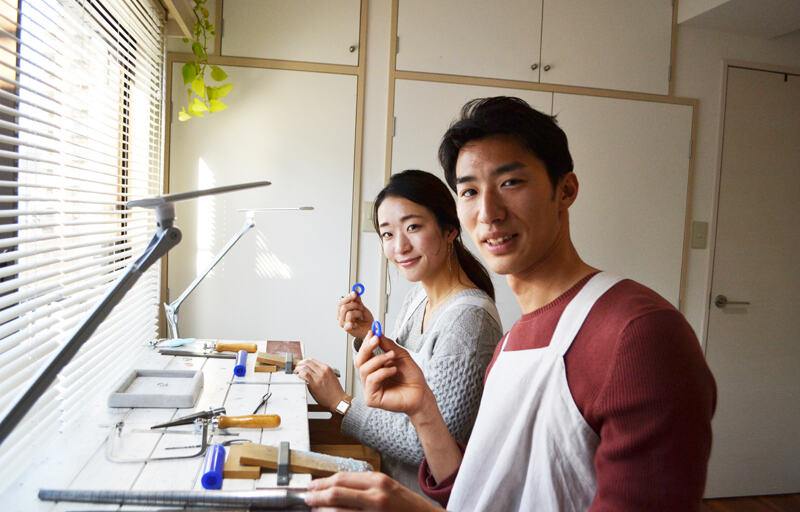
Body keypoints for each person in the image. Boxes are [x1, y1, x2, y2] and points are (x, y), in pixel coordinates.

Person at [303, 97, 717, 511]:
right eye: (469, 191)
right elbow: (482, 491)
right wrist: (423, 408)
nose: (489, 212)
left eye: (510, 183)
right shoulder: (514, 342)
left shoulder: (640, 333)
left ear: (566, 190)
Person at [294, 169, 503, 493]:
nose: (400, 246)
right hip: (388, 480)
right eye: (387, 234)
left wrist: (340, 403)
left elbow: (426, 449)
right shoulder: (419, 296)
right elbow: (402, 382)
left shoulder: (469, 323)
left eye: (413, 227)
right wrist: (366, 335)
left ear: (449, 229)